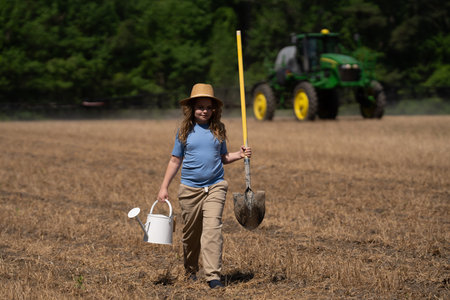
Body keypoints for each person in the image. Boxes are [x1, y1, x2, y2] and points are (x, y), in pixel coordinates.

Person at [157, 83, 252, 289]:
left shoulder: (219, 129)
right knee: (191, 235)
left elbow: (223, 157)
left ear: (214, 110)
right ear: (191, 108)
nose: (204, 111)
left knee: (212, 230)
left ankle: (213, 276)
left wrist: (240, 154)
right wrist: (164, 187)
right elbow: (175, 160)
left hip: (216, 186)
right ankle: (190, 269)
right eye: (200, 107)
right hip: (190, 189)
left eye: (208, 107)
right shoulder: (184, 131)